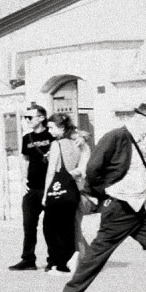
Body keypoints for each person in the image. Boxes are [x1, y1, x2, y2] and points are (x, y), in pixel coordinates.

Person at [60, 100, 146, 292]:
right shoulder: (116, 137)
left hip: (138, 207)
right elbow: (93, 168)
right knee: (99, 252)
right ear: (139, 119)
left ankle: (72, 291)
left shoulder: (141, 142)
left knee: (99, 251)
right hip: (119, 207)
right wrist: (103, 194)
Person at [41, 113, 89, 273]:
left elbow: (51, 171)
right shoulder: (79, 143)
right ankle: (69, 261)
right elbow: (84, 164)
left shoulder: (57, 144)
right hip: (74, 190)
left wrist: (45, 194)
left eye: (52, 127)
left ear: (61, 127)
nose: (50, 130)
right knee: (69, 227)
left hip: (58, 191)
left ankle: (58, 262)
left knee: (50, 227)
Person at [8, 102, 53, 271]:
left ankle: (53, 259)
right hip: (32, 188)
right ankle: (28, 259)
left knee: (50, 226)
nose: (27, 120)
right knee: (28, 224)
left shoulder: (52, 135)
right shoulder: (27, 138)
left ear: (41, 118)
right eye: (25, 117)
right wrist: (23, 180)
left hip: (49, 187)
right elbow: (25, 159)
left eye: (30, 117)